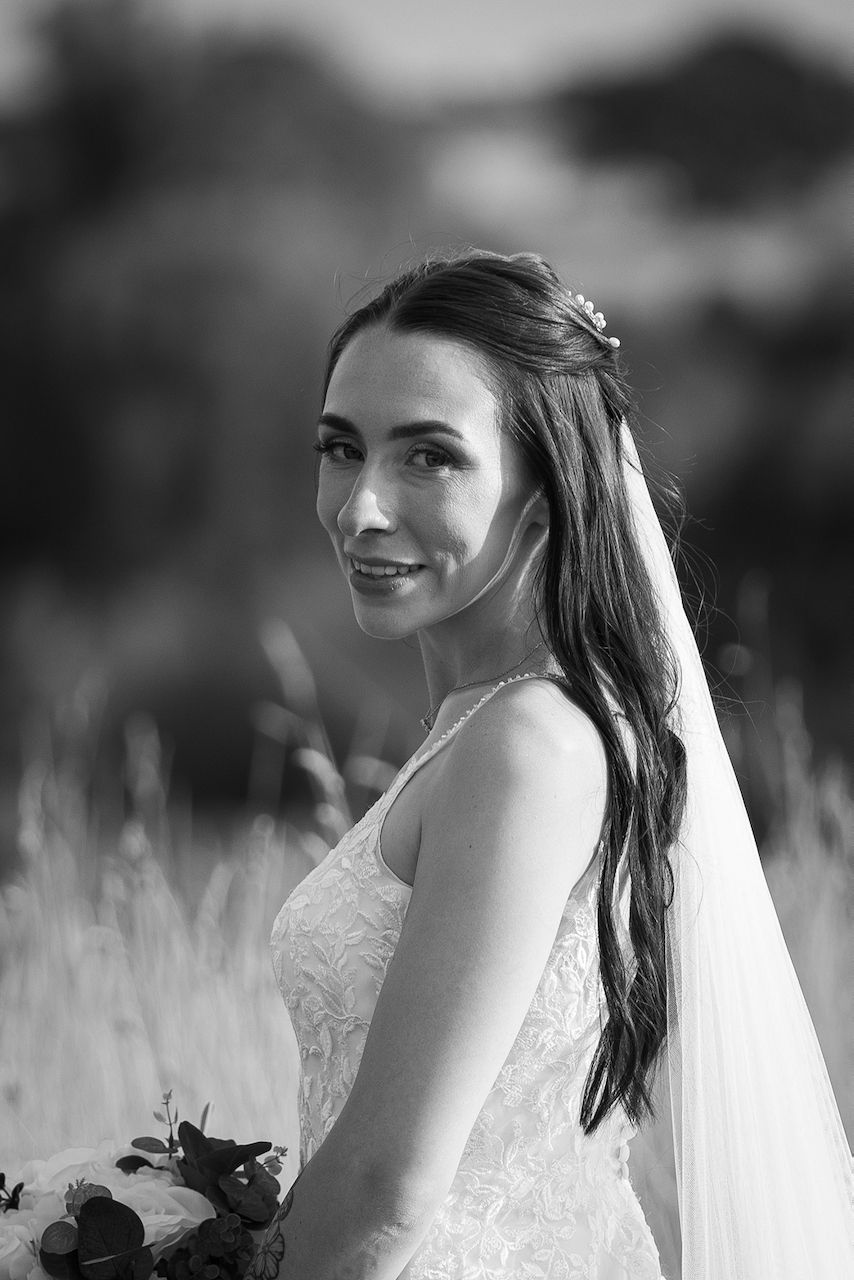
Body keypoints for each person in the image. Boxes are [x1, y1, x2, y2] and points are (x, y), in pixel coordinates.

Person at [253, 252, 854, 1279]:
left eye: (429, 456)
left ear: (545, 489)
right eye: (341, 448)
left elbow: (389, 1193)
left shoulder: (525, 744)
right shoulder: (495, 727)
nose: (359, 508)